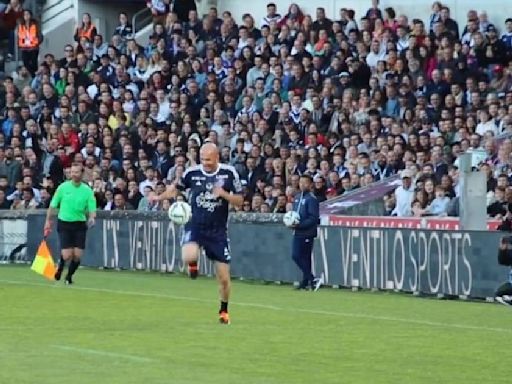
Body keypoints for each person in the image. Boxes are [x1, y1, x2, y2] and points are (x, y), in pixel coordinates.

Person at [151, 143, 243, 324]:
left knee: (224, 279)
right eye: (203, 159)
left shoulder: (229, 173)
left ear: (217, 157)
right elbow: (175, 189)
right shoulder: (192, 173)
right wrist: (158, 197)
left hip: (218, 232)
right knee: (188, 255)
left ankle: (223, 311)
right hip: (195, 225)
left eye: (209, 160)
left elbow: (239, 200)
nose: (206, 163)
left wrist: (224, 194)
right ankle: (193, 266)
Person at [44, 164, 97, 285]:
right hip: (65, 223)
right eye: (72, 172)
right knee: (67, 255)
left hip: (79, 224)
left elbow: (92, 208)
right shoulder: (63, 187)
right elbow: (53, 205)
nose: (73, 174)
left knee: (77, 256)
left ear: (82, 174)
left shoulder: (87, 190)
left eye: (76, 172)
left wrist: (92, 218)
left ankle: (69, 276)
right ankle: (61, 266)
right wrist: (48, 220)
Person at [290, 174, 322, 291]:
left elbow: (313, 218)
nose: (302, 184)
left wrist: (300, 225)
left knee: (297, 255)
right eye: (301, 182)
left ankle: (312, 279)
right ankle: (306, 282)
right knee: (303, 257)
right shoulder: (297, 197)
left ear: (310, 184)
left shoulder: (311, 199)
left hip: (307, 232)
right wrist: (291, 222)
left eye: (305, 183)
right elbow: (294, 214)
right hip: (297, 232)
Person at [17, 10, 43, 75]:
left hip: (34, 47)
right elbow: (19, 35)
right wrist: (19, 44)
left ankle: (34, 75)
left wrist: (37, 42)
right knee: (25, 63)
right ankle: (33, 74)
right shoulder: (21, 25)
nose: (26, 16)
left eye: (27, 14)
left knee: (34, 63)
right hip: (24, 47)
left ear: (30, 15)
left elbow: (39, 34)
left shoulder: (35, 24)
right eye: (24, 14)